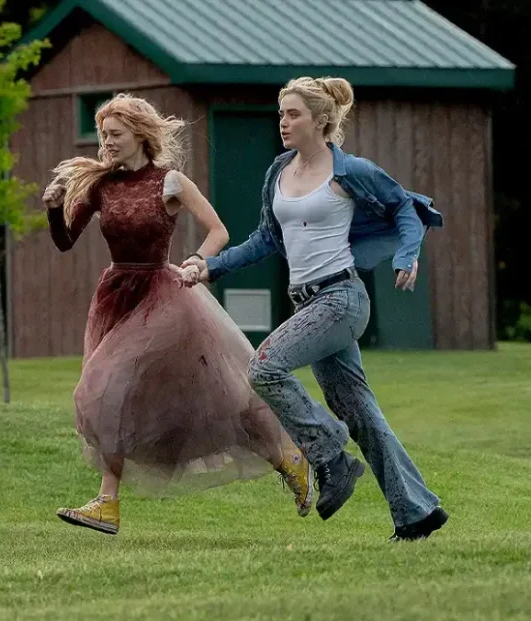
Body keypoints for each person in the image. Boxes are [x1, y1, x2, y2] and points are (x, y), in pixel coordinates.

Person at [182, 77, 448, 541]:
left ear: (321, 120)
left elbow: (405, 208)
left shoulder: (351, 170)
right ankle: (417, 514)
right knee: (360, 413)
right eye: (281, 114)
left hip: (341, 299)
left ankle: (329, 456)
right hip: (306, 303)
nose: (283, 122)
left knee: (264, 367)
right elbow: (265, 238)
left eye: (293, 114)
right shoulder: (278, 171)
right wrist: (211, 266)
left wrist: (408, 255)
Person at [43, 93, 312, 536]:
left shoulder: (169, 182)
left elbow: (218, 230)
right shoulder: (100, 186)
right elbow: (65, 241)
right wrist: (55, 209)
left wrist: (197, 261)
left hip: (165, 295)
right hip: (117, 297)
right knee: (154, 398)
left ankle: (288, 456)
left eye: (115, 134)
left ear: (139, 135)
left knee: (123, 389)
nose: (106, 142)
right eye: (103, 135)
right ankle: (109, 503)